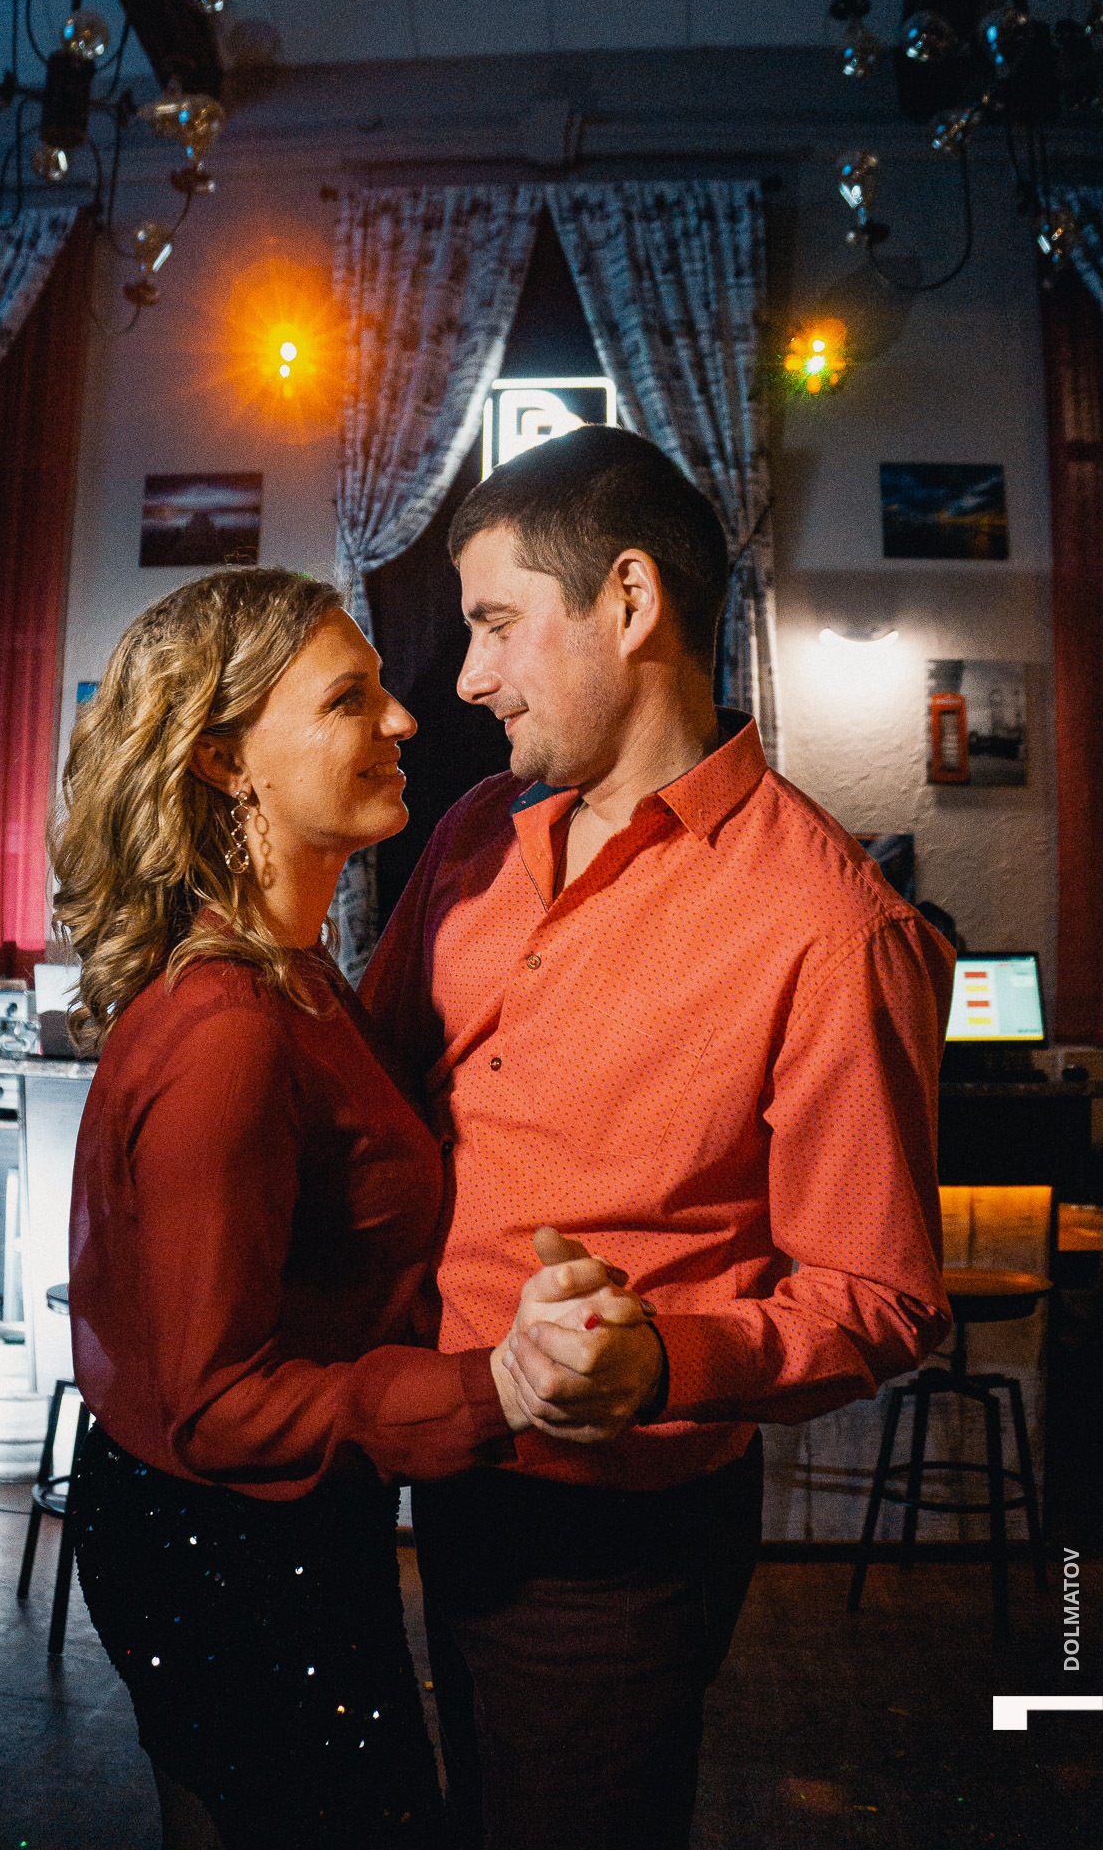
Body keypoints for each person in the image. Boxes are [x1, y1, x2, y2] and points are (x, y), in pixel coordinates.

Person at [361, 425, 956, 1850]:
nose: (467, 678)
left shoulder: (830, 927)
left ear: (627, 602)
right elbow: (369, 1091)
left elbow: (877, 1296)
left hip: (615, 1534)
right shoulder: (474, 832)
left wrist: (666, 1362)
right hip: (434, 1458)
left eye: (495, 623)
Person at [51, 569, 651, 1850]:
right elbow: (216, 1403)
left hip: (270, 1518)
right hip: (229, 1540)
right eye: (347, 700)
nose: (403, 720)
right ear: (225, 760)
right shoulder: (228, 1028)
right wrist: (499, 1387)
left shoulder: (302, 974)